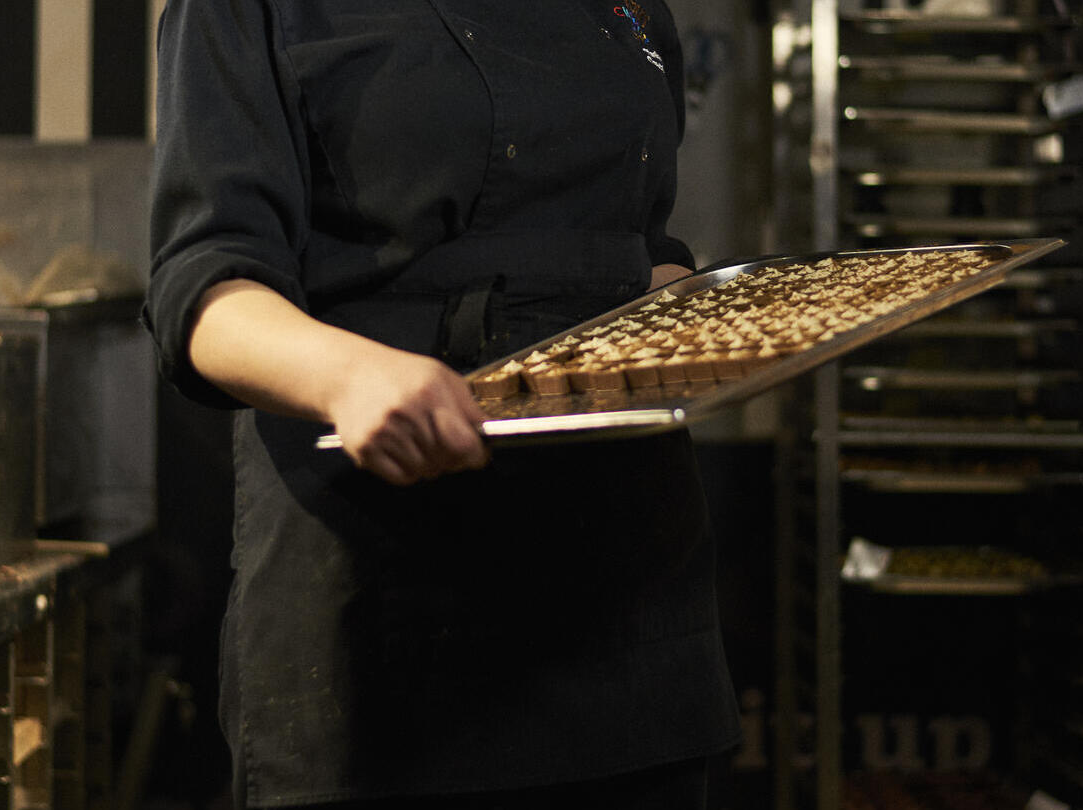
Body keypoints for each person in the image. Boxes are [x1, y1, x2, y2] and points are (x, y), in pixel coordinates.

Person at [144, 1, 741, 808]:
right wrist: (347, 376)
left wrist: (729, 316)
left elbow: (636, 252)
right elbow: (204, 290)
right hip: (386, 590)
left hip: (628, 591)